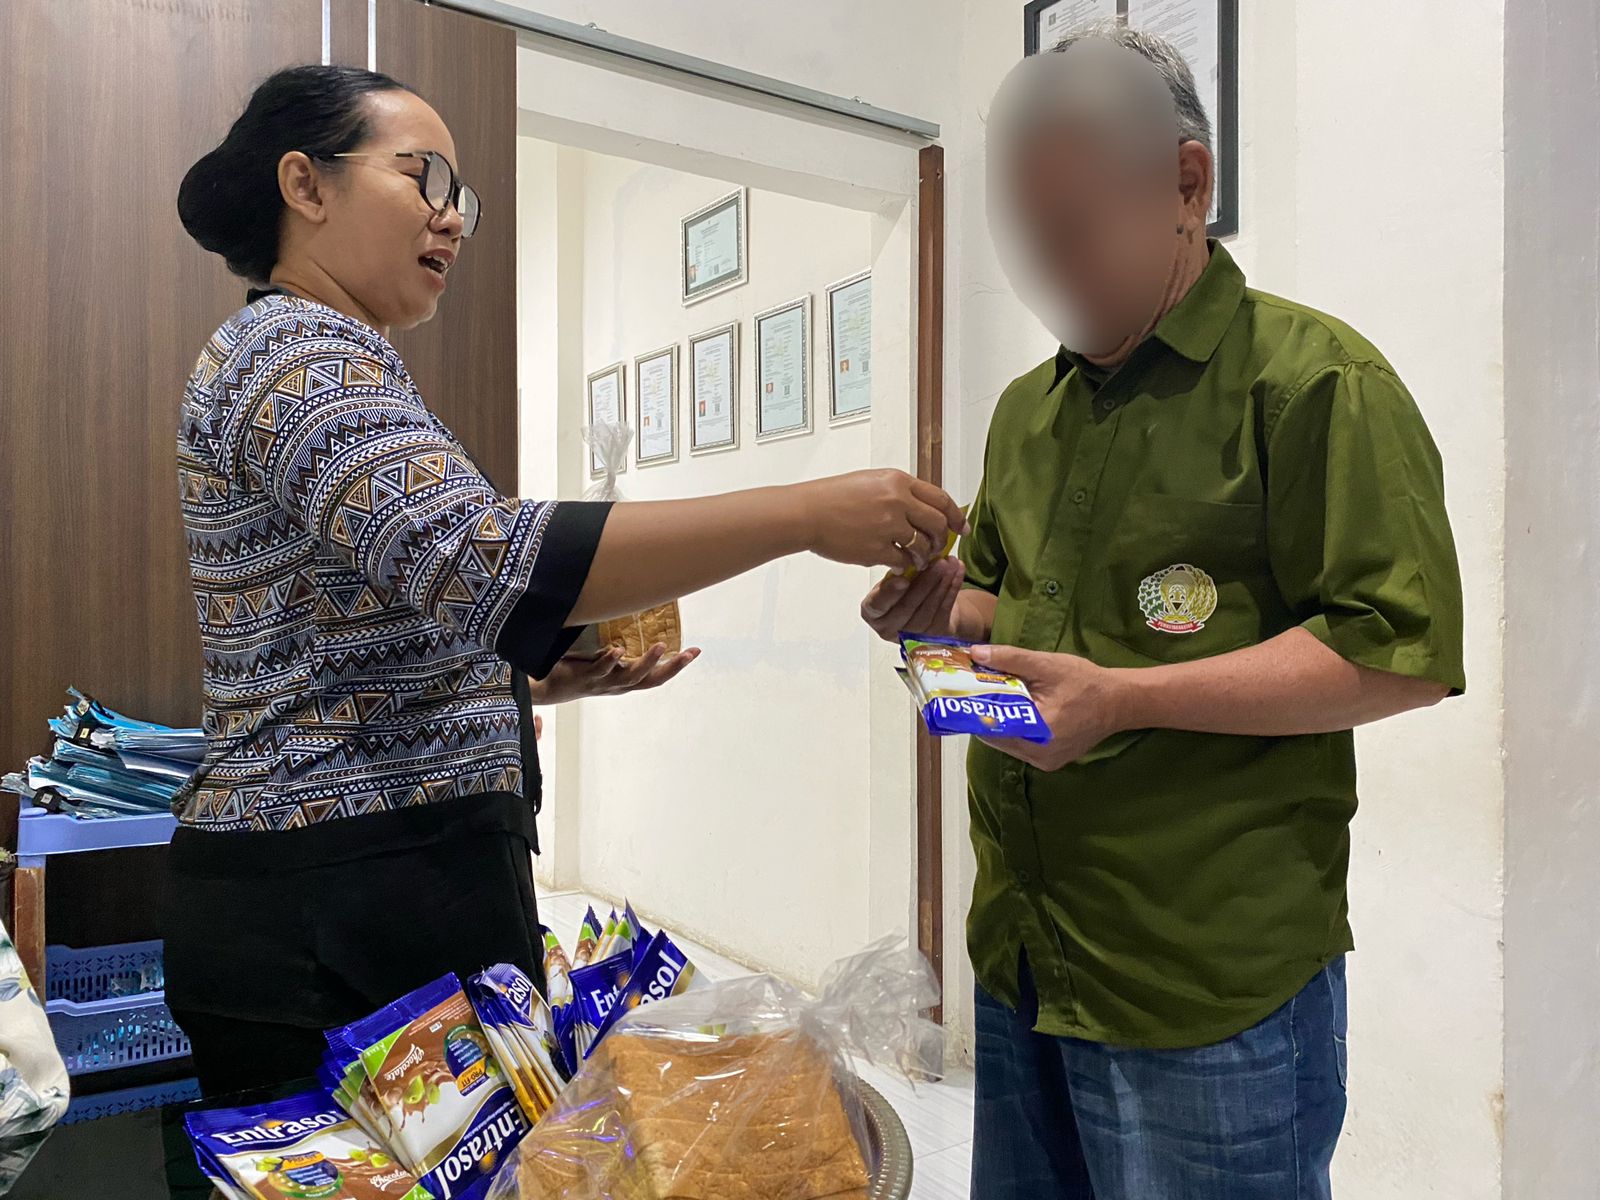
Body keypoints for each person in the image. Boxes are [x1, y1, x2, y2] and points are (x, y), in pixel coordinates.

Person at [163, 63, 964, 1106]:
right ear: (306, 185)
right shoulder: (293, 351)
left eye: (463, 197)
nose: (452, 218)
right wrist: (804, 514)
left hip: (377, 884)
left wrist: (530, 684)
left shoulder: (337, 355)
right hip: (324, 906)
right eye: (423, 177)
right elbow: (481, 558)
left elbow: (365, 624)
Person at [861, 25, 1464, 1200]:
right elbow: (1000, 599)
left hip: (1202, 984)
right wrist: (936, 611)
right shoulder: (1027, 413)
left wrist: (1124, 700)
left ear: (1188, 184)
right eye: (1026, 239)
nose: (1049, 270)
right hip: (1025, 954)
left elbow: (1397, 655)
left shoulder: (1313, 381)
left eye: (1074, 230)